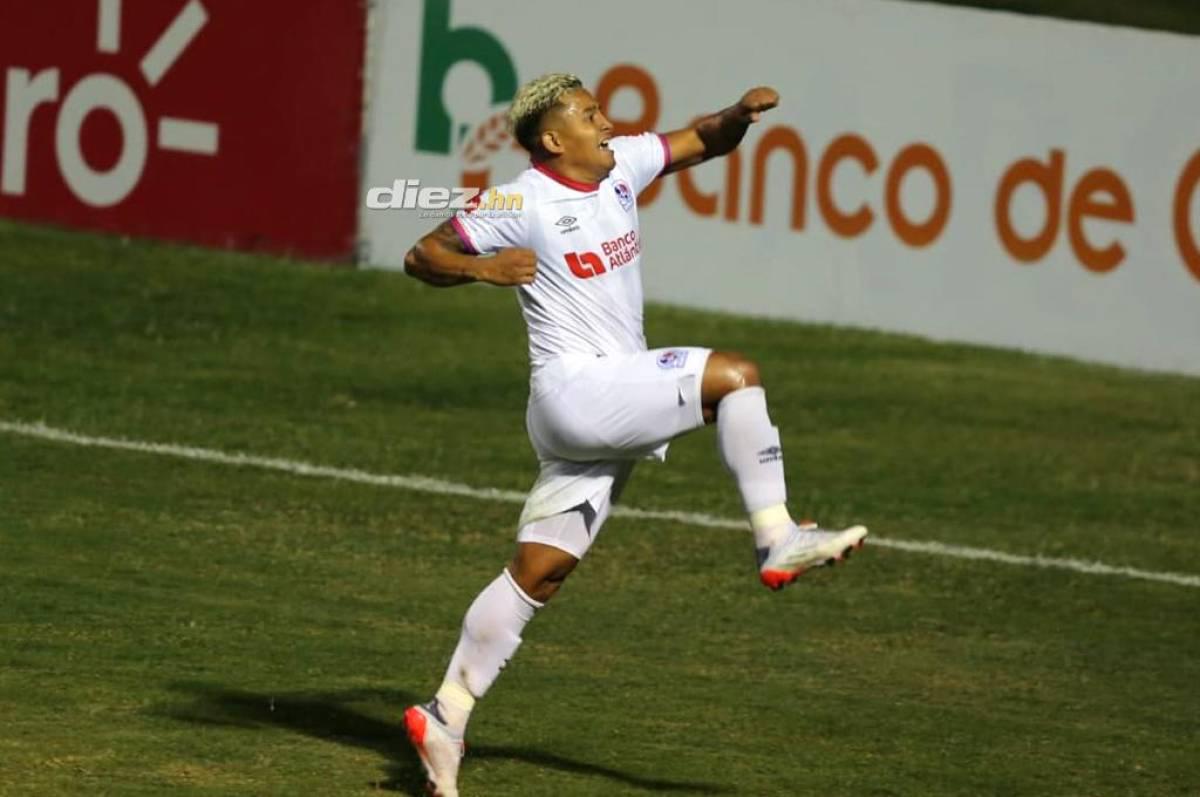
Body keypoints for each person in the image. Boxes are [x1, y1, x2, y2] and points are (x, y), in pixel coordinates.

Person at [400, 73, 867, 797]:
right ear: (553, 140)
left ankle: (445, 715)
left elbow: (702, 140)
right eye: (589, 116)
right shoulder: (520, 201)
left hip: (600, 407)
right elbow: (422, 254)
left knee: (539, 571)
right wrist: (482, 268)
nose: (607, 123)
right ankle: (777, 535)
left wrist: (739, 116)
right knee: (735, 375)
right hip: (576, 391)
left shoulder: (623, 166)